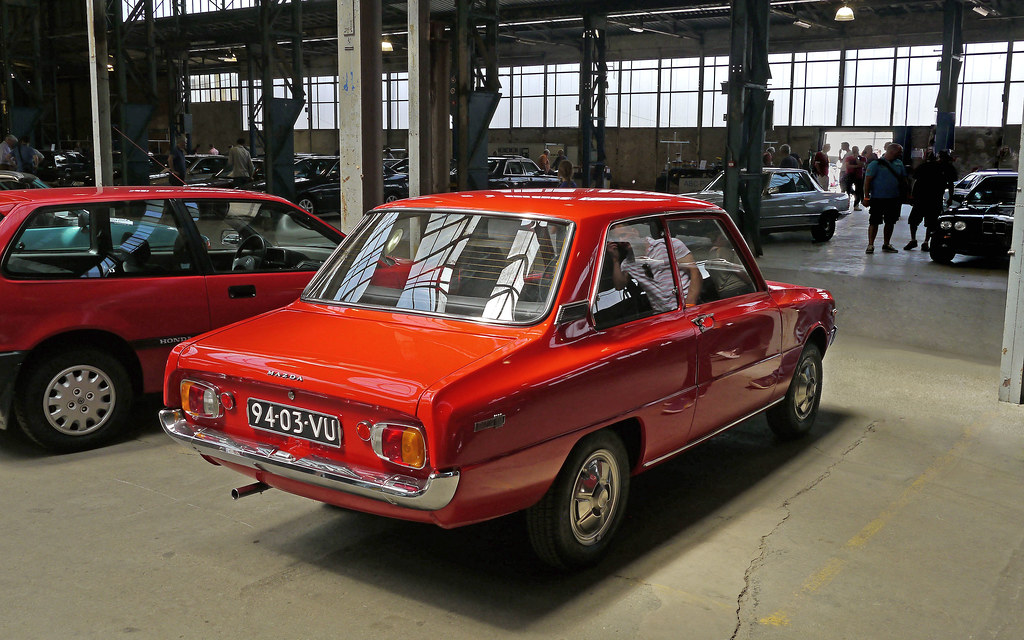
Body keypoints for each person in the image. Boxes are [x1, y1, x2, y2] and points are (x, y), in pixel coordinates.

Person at [607, 223, 701, 311]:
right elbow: (619, 286)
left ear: (634, 232)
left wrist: (689, 306)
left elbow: (695, 272)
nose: (621, 241)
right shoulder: (627, 264)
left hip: (687, 308)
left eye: (623, 235)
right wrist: (615, 260)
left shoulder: (669, 245)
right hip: (662, 315)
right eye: (617, 239)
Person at [905, 150, 957, 251]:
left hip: (926, 197)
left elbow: (915, 181)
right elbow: (950, 184)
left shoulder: (928, 166)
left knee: (923, 221)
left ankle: (918, 240)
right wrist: (950, 197)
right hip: (929, 197)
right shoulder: (947, 168)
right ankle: (921, 241)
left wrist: (912, 195)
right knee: (925, 221)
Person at [862, 143, 907, 254]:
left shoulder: (899, 163)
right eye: (899, 152)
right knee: (874, 221)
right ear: (891, 151)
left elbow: (904, 179)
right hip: (878, 198)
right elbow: (867, 181)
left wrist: (907, 193)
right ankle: (870, 244)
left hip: (893, 198)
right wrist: (866, 197)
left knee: (890, 222)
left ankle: (886, 244)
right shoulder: (875, 164)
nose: (900, 154)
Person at [842, 145, 865, 210]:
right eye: (854, 149)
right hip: (849, 174)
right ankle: (847, 203)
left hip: (859, 175)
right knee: (848, 189)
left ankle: (856, 205)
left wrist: (856, 159)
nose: (855, 151)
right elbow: (848, 166)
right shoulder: (848, 158)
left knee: (859, 190)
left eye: (856, 149)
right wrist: (858, 166)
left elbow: (862, 165)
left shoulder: (862, 158)